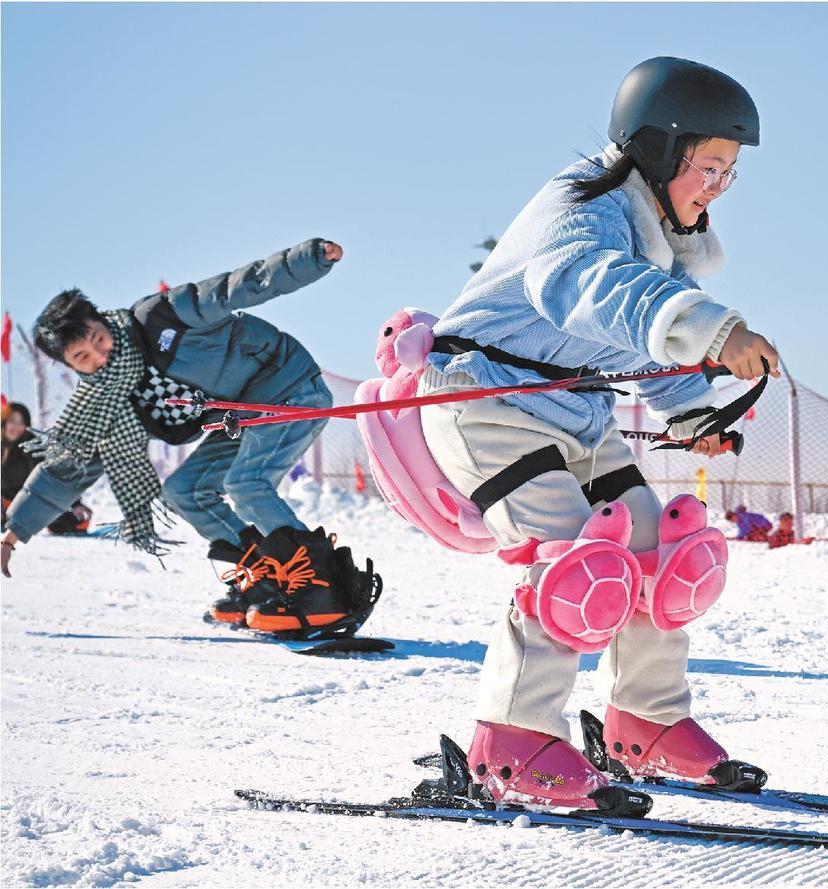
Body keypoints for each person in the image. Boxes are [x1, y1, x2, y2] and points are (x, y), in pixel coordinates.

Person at [417, 57, 779, 808]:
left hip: (571, 408)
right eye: (710, 165)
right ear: (659, 146)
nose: (717, 187)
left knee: (657, 553)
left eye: (728, 173)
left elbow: (640, 337)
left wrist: (693, 409)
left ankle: (642, 721)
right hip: (484, 400)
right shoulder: (582, 213)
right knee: (574, 566)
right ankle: (511, 743)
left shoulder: (655, 236)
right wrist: (715, 330)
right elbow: (601, 293)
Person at [1, 239, 370, 636]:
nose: (100, 357)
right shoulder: (110, 399)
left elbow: (238, 285)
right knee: (184, 490)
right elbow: (72, 467)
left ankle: (322, 588)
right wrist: (15, 530)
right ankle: (265, 577)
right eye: (83, 358)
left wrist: (309, 260)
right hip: (239, 414)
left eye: (98, 339)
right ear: (71, 365)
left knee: (246, 483)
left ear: (103, 321)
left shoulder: (162, 316)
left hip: (288, 386)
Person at [2, 402, 92, 534]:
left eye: (21, 422)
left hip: (30, 505)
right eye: (12, 421)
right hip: (4, 505)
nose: (16, 427)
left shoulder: (32, 446)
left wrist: (75, 503)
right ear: (4, 422)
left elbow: (55, 476)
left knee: (75, 524)